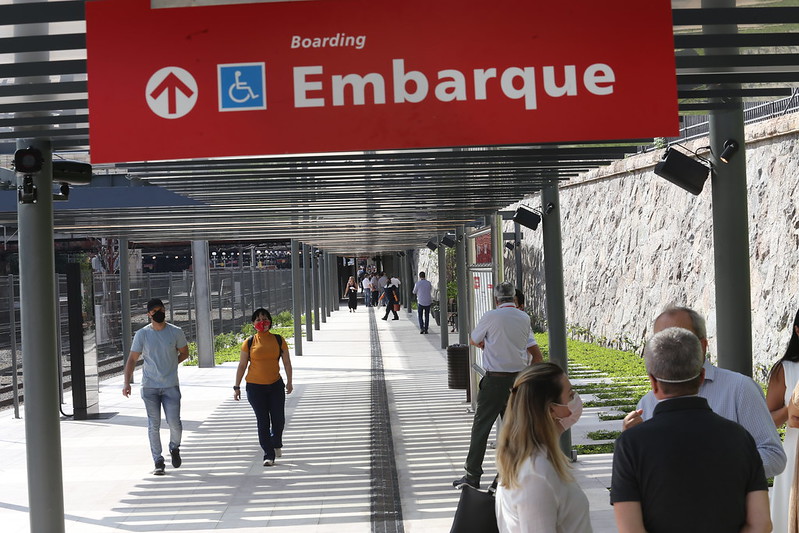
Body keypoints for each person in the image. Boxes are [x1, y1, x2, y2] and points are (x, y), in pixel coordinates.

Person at [611, 327, 771, 533]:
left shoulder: (631, 443)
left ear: (653, 382)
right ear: (702, 376)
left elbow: (630, 529)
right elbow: (761, 524)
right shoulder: (740, 437)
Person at [623, 306, 786, 478]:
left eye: (680, 340)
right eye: (660, 342)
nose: (670, 351)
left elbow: (773, 456)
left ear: (703, 345)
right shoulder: (646, 403)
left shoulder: (740, 389)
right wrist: (631, 443)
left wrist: (720, 464)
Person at [453, 281, 533, 490]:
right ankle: (509, 473)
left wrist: (485, 343)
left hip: (495, 380)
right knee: (513, 429)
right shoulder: (524, 318)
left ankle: (472, 474)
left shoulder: (491, 316)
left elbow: (473, 339)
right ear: (513, 296)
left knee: (481, 427)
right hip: (517, 380)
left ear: (496, 299)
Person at [495, 363, 591, 533]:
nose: (574, 401)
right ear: (552, 409)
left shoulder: (536, 458)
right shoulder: (535, 473)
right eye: (570, 395)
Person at [122, 298, 189, 475]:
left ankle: (174, 447)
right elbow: (132, 359)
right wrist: (126, 382)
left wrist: (171, 364)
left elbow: (185, 352)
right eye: (154, 311)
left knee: (174, 423)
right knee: (154, 424)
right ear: (148, 314)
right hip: (149, 387)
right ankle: (158, 461)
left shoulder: (176, 332)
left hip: (171, 386)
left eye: (161, 309)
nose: (158, 313)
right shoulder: (142, 334)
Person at [234, 308, 293, 466]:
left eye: (265, 319)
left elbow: (287, 362)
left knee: (278, 420)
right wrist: (236, 386)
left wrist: (289, 381)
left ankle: (276, 443)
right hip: (255, 387)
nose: (262, 322)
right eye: (258, 319)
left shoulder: (279, 340)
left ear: (270, 322)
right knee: (263, 421)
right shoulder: (249, 342)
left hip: (275, 385)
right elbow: (242, 365)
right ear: (253, 324)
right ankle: (268, 454)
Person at [766, 306, 799, 533]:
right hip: (795, 451)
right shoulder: (785, 370)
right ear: (798, 330)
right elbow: (767, 420)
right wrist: (790, 410)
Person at [514, 289, 544, 364]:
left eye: (513, 305)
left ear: (521, 307)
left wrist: (527, 375)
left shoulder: (522, 325)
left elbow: (537, 357)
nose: (508, 309)